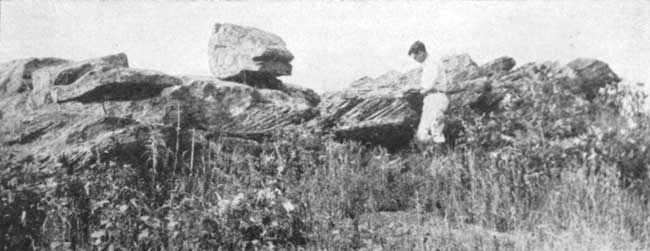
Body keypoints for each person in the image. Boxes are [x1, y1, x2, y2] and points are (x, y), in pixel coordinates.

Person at [408, 41, 449, 144]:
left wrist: (417, 90)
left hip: (436, 97)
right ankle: (435, 154)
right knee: (422, 135)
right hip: (430, 99)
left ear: (421, 52)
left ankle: (442, 155)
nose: (415, 60)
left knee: (436, 131)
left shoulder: (432, 63)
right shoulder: (427, 65)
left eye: (415, 57)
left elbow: (429, 85)